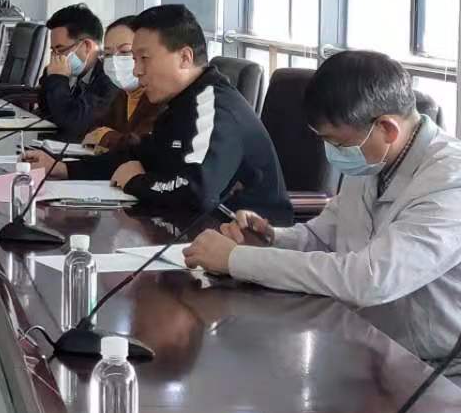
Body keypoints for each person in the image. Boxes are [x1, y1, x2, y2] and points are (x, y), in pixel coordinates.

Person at [184, 50, 461, 370]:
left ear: (387, 129)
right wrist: (270, 238)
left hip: (435, 369)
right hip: (364, 342)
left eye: (339, 144)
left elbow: (370, 279)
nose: (333, 154)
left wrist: (236, 259)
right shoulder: (375, 158)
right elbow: (324, 236)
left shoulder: (449, 182)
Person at [41, 4, 291, 221]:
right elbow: (138, 156)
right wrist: (64, 168)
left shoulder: (213, 106)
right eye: (135, 59)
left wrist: (136, 183)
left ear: (184, 58)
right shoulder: (181, 102)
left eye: (144, 58)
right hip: (194, 229)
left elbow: (197, 190)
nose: (136, 71)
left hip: (246, 240)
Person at [82, 16, 164, 151]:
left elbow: (141, 147)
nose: (114, 61)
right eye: (108, 54)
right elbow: (94, 129)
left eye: (125, 52)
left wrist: (106, 137)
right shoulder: (122, 95)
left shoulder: (161, 97)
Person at [38, 4, 116, 140]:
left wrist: (58, 79)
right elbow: (46, 111)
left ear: (86, 46)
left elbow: (73, 123)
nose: (55, 57)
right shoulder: (74, 72)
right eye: (53, 51)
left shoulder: (110, 78)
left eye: (60, 49)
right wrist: (50, 78)